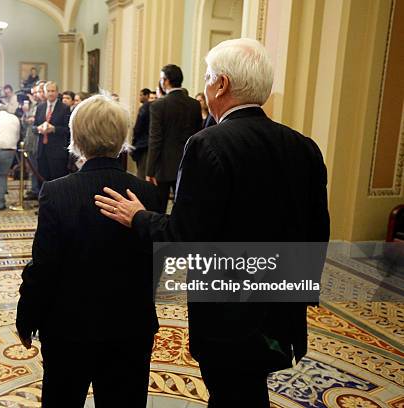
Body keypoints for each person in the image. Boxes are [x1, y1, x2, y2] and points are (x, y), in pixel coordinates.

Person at [95, 38, 330, 408]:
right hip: (280, 310)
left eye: (207, 77)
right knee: (247, 392)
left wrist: (138, 217)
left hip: (230, 317)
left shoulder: (208, 144)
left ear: (221, 84)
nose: (205, 86)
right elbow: (318, 235)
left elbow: (186, 240)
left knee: (232, 393)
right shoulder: (304, 146)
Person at [17, 95, 160, 407]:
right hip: (130, 328)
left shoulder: (57, 192)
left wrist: (26, 316)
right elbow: (155, 270)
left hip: (69, 329)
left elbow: (44, 267)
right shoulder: (149, 194)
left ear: (76, 138)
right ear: (123, 138)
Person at [146, 64, 202, 212]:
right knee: (183, 210)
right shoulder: (194, 104)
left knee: (159, 210)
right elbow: (197, 135)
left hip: (163, 166)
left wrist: (149, 170)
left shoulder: (158, 105)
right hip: (187, 163)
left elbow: (155, 140)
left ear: (165, 81)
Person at [33, 81, 71, 181]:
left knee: (57, 179)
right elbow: (34, 127)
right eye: (48, 91)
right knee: (42, 179)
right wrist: (38, 129)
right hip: (42, 150)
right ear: (45, 93)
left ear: (57, 92)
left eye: (53, 91)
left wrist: (54, 129)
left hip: (57, 151)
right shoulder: (40, 107)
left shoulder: (64, 108)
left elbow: (68, 130)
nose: (50, 93)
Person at [131, 88, 152, 179]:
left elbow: (138, 128)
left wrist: (134, 142)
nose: (139, 97)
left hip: (143, 144)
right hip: (149, 144)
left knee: (142, 173)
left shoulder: (145, 108)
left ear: (147, 96)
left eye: (141, 95)